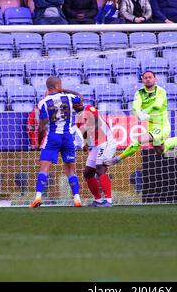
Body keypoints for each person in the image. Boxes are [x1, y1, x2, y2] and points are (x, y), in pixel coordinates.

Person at [105, 71, 177, 166]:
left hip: (162, 126)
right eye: (145, 78)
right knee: (160, 150)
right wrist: (138, 112)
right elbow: (135, 106)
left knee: (139, 140)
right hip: (151, 126)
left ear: (155, 79)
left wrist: (144, 112)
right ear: (142, 80)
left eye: (150, 77)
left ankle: (117, 159)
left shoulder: (160, 91)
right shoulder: (139, 93)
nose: (148, 79)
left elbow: (157, 105)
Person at [29, 77, 84, 208]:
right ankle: (77, 199)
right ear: (58, 85)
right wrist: (63, 90)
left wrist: (39, 140)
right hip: (68, 137)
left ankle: (38, 197)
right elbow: (80, 98)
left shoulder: (43, 102)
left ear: (47, 88)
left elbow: (42, 126)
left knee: (44, 168)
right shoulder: (69, 97)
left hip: (53, 137)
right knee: (70, 170)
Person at [75, 104, 116, 206]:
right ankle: (98, 200)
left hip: (106, 141)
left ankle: (108, 200)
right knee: (88, 173)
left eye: (79, 101)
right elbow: (84, 134)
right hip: (97, 145)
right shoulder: (78, 121)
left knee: (100, 168)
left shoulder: (89, 108)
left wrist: (88, 126)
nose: (78, 103)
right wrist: (86, 143)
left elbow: (97, 121)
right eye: (75, 102)